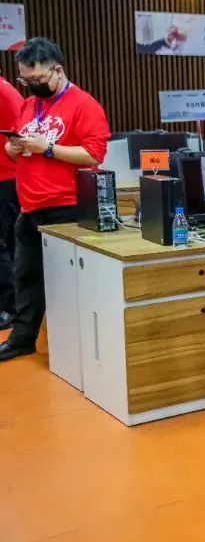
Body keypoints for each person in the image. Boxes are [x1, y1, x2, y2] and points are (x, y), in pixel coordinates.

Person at [0, 38, 110, 362]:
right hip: (30, 206)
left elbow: (94, 154)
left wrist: (47, 148)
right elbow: (16, 147)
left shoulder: (83, 104)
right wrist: (12, 148)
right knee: (26, 277)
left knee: (64, 285)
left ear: (57, 71)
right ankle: (23, 338)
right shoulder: (28, 105)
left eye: (36, 79)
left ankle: (74, 345)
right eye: (25, 80)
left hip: (67, 208)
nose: (31, 86)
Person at [0, 75, 24, 331]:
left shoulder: (2, 92)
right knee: (10, 242)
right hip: (10, 177)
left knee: (3, 244)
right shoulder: (7, 89)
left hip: (5, 177)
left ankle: (9, 307)